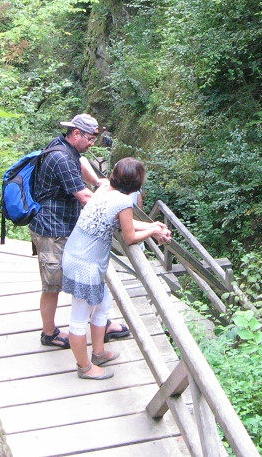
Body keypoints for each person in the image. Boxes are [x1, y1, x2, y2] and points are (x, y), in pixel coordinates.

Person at [61, 157, 171, 379]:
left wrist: (153, 225)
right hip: (85, 265)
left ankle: (99, 352)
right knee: (79, 317)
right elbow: (130, 237)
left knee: (103, 304)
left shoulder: (103, 189)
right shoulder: (122, 201)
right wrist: (152, 231)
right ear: (136, 182)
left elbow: (125, 223)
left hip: (78, 255)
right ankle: (85, 368)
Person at [30, 113, 132, 348]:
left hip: (66, 226)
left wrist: (99, 182)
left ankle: (101, 323)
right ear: (76, 133)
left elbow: (82, 163)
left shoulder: (63, 147)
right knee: (52, 284)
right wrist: (116, 206)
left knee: (89, 274)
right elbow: (86, 198)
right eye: (89, 139)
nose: (92, 144)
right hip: (51, 230)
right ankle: (49, 333)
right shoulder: (61, 158)